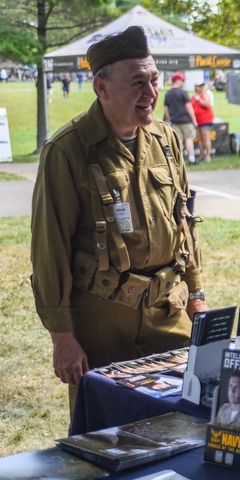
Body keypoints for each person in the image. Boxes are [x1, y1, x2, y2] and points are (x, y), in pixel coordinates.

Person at [30, 26, 208, 418]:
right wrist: (62, 336)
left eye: (155, 80)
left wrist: (196, 294)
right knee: (107, 435)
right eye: (138, 83)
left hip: (168, 311)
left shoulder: (166, 138)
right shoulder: (66, 151)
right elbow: (49, 249)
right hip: (101, 321)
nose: (151, 93)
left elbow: (184, 222)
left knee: (183, 419)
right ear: (102, 87)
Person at [163, 72, 198, 165]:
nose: (183, 82)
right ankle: (191, 159)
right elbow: (189, 107)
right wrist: (194, 120)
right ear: (177, 80)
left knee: (178, 141)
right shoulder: (183, 93)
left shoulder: (168, 93)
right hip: (185, 120)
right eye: (182, 80)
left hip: (174, 121)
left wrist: (169, 118)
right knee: (189, 138)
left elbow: (166, 108)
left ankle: (179, 160)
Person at [191, 80, 214, 164]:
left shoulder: (205, 95)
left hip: (205, 120)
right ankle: (202, 154)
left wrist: (199, 100)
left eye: (202, 86)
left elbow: (207, 104)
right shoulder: (193, 97)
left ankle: (208, 155)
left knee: (206, 138)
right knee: (199, 139)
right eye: (199, 86)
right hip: (197, 121)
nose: (200, 88)